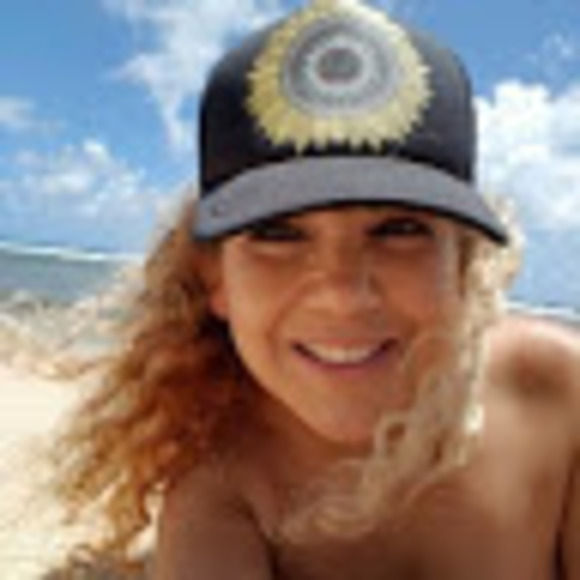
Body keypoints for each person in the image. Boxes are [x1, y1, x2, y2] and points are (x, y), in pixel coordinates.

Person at [48, 0, 580, 578]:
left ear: (464, 264)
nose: (343, 294)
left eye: (398, 229)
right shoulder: (224, 483)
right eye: (278, 234)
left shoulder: (557, 393)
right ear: (214, 279)